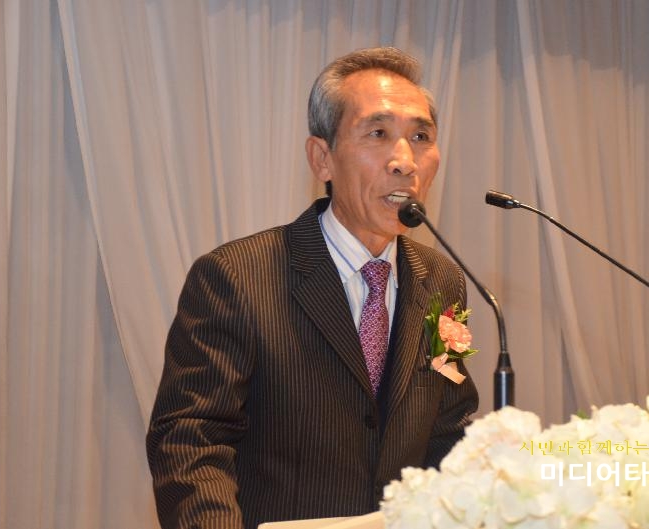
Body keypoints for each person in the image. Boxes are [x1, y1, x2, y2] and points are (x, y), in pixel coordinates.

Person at [146, 47, 479, 529]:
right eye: (378, 134)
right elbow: (190, 442)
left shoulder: (442, 281)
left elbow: (449, 425)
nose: (405, 161)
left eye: (420, 136)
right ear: (322, 158)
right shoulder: (236, 277)